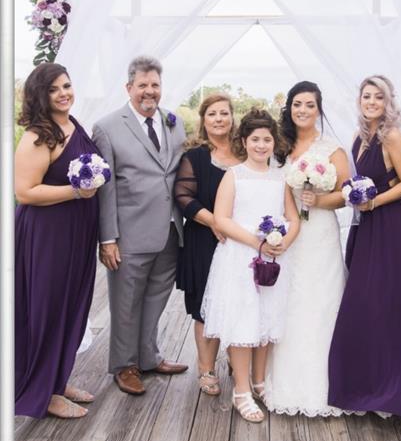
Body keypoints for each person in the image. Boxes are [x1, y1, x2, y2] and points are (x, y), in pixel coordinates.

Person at [328, 75, 401, 416]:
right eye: (367, 96)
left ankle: (396, 389)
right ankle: (367, 382)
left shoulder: (393, 136)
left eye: (378, 97)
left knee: (391, 302)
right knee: (365, 303)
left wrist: (374, 201)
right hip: (366, 227)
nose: (371, 102)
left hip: (391, 227)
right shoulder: (359, 136)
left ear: (388, 102)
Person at [92, 55, 188, 395]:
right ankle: (124, 365)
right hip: (129, 233)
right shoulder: (107, 127)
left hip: (170, 229)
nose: (150, 91)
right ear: (129, 87)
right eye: (142, 85)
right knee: (126, 302)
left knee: (157, 297)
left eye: (155, 85)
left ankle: (148, 356)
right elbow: (105, 188)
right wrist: (108, 238)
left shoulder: (175, 122)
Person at [201, 109, 300, 422]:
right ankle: (241, 390)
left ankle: (259, 382)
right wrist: (256, 243)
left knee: (266, 320)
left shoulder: (281, 177)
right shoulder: (234, 175)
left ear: (274, 142)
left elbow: (293, 218)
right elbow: (221, 219)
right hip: (240, 258)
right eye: (255, 139)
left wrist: (284, 242)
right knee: (243, 321)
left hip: (273, 257)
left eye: (266, 140)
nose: (261, 145)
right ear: (244, 141)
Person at [15, 63, 99, 419]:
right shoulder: (38, 135)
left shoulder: (73, 124)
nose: (63, 93)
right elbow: (25, 192)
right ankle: (43, 392)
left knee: (71, 305)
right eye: (53, 89)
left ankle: (58, 379)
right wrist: (76, 192)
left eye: (66, 85)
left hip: (78, 233)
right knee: (48, 309)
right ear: (40, 95)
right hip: (49, 235)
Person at [264, 81, 350, 417]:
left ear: (318, 109)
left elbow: (345, 193)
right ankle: (279, 378)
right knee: (288, 299)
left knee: (321, 299)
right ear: (289, 108)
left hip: (320, 233)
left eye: (309, 105)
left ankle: (327, 383)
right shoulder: (278, 145)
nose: (302, 110)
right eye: (297, 104)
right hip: (286, 233)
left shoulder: (332, 150)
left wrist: (319, 200)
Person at [174, 93, 240, 396]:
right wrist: (215, 222)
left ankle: (237, 360)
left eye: (224, 113)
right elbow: (183, 197)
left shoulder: (245, 151)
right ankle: (207, 369)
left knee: (238, 302)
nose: (219, 119)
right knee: (205, 306)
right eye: (212, 114)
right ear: (204, 120)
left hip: (239, 241)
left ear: (232, 117)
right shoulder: (195, 156)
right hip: (204, 238)